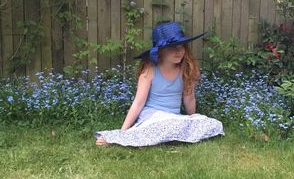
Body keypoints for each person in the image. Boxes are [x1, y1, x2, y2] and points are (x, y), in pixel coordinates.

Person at [95, 21, 224, 147]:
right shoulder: (149, 70)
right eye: (173, 47)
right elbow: (138, 103)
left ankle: (171, 136)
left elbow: (189, 97)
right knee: (165, 125)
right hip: (152, 117)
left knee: (213, 124)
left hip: (174, 118)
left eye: (182, 47)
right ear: (160, 51)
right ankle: (119, 138)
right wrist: (122, 133)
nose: (179, 51)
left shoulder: (185, 70)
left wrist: (192, 121)